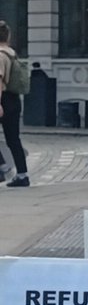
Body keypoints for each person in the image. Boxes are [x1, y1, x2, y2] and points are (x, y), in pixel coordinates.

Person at [0, 21, 30, 187]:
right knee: (13, 139)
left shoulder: (0, 55)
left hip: (3, 99)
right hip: (14, 99)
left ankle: (2, 167)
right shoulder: (12, 53)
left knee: (12, 139)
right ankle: (22, 174)